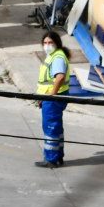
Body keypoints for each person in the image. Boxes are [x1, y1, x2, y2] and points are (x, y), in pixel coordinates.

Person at [34, 29, 70, 170]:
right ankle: (58, 155)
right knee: (57, 127)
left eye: (50, 42)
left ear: (57, 43)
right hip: (52, 96)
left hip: (53, 97)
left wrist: (51, 95)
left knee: (50, 127)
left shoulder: (58, 57)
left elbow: (59, 77)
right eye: (45, 42)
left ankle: (51, 159)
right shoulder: (54, 55)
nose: (47, 45)